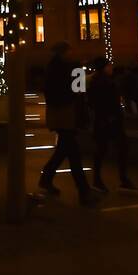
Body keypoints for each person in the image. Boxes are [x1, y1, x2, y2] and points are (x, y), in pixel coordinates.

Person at [39, 42, 95, 205]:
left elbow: (49, 91)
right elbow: (80, 91)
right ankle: (84, 192)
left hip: (57, 115)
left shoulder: (50, 68)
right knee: (73, 153)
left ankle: (46, 177)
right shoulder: (74, 68)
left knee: (64, 149)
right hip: (69, 113)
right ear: (67, 52)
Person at [90, 57, 135, 192]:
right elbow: (107, 102)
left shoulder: (96, 81)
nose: (111, 68)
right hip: (110, 120)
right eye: (109, 66)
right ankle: (122, 179)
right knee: (117, 149)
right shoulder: (105, 82)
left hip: (104, 120)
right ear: (104, 67)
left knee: (103, 149)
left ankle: (99, 179)